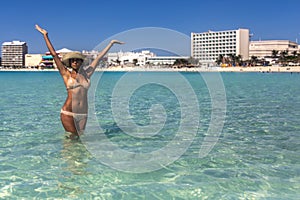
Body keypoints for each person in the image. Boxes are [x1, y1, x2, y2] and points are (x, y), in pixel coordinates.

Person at [35, 24, 124, 139]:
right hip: (68, 113)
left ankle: (78, 157)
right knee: (72, 138)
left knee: (80, 138)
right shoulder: (66, 74)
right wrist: (45, 35)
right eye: (73, 60)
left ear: (81, 62)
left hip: (83, 114)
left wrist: (111, 43)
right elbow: (54, 55)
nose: (75, 62)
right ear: (70, 62)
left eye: (77, 60)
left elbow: (98, 58)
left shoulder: (87, 74)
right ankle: (66, 156)